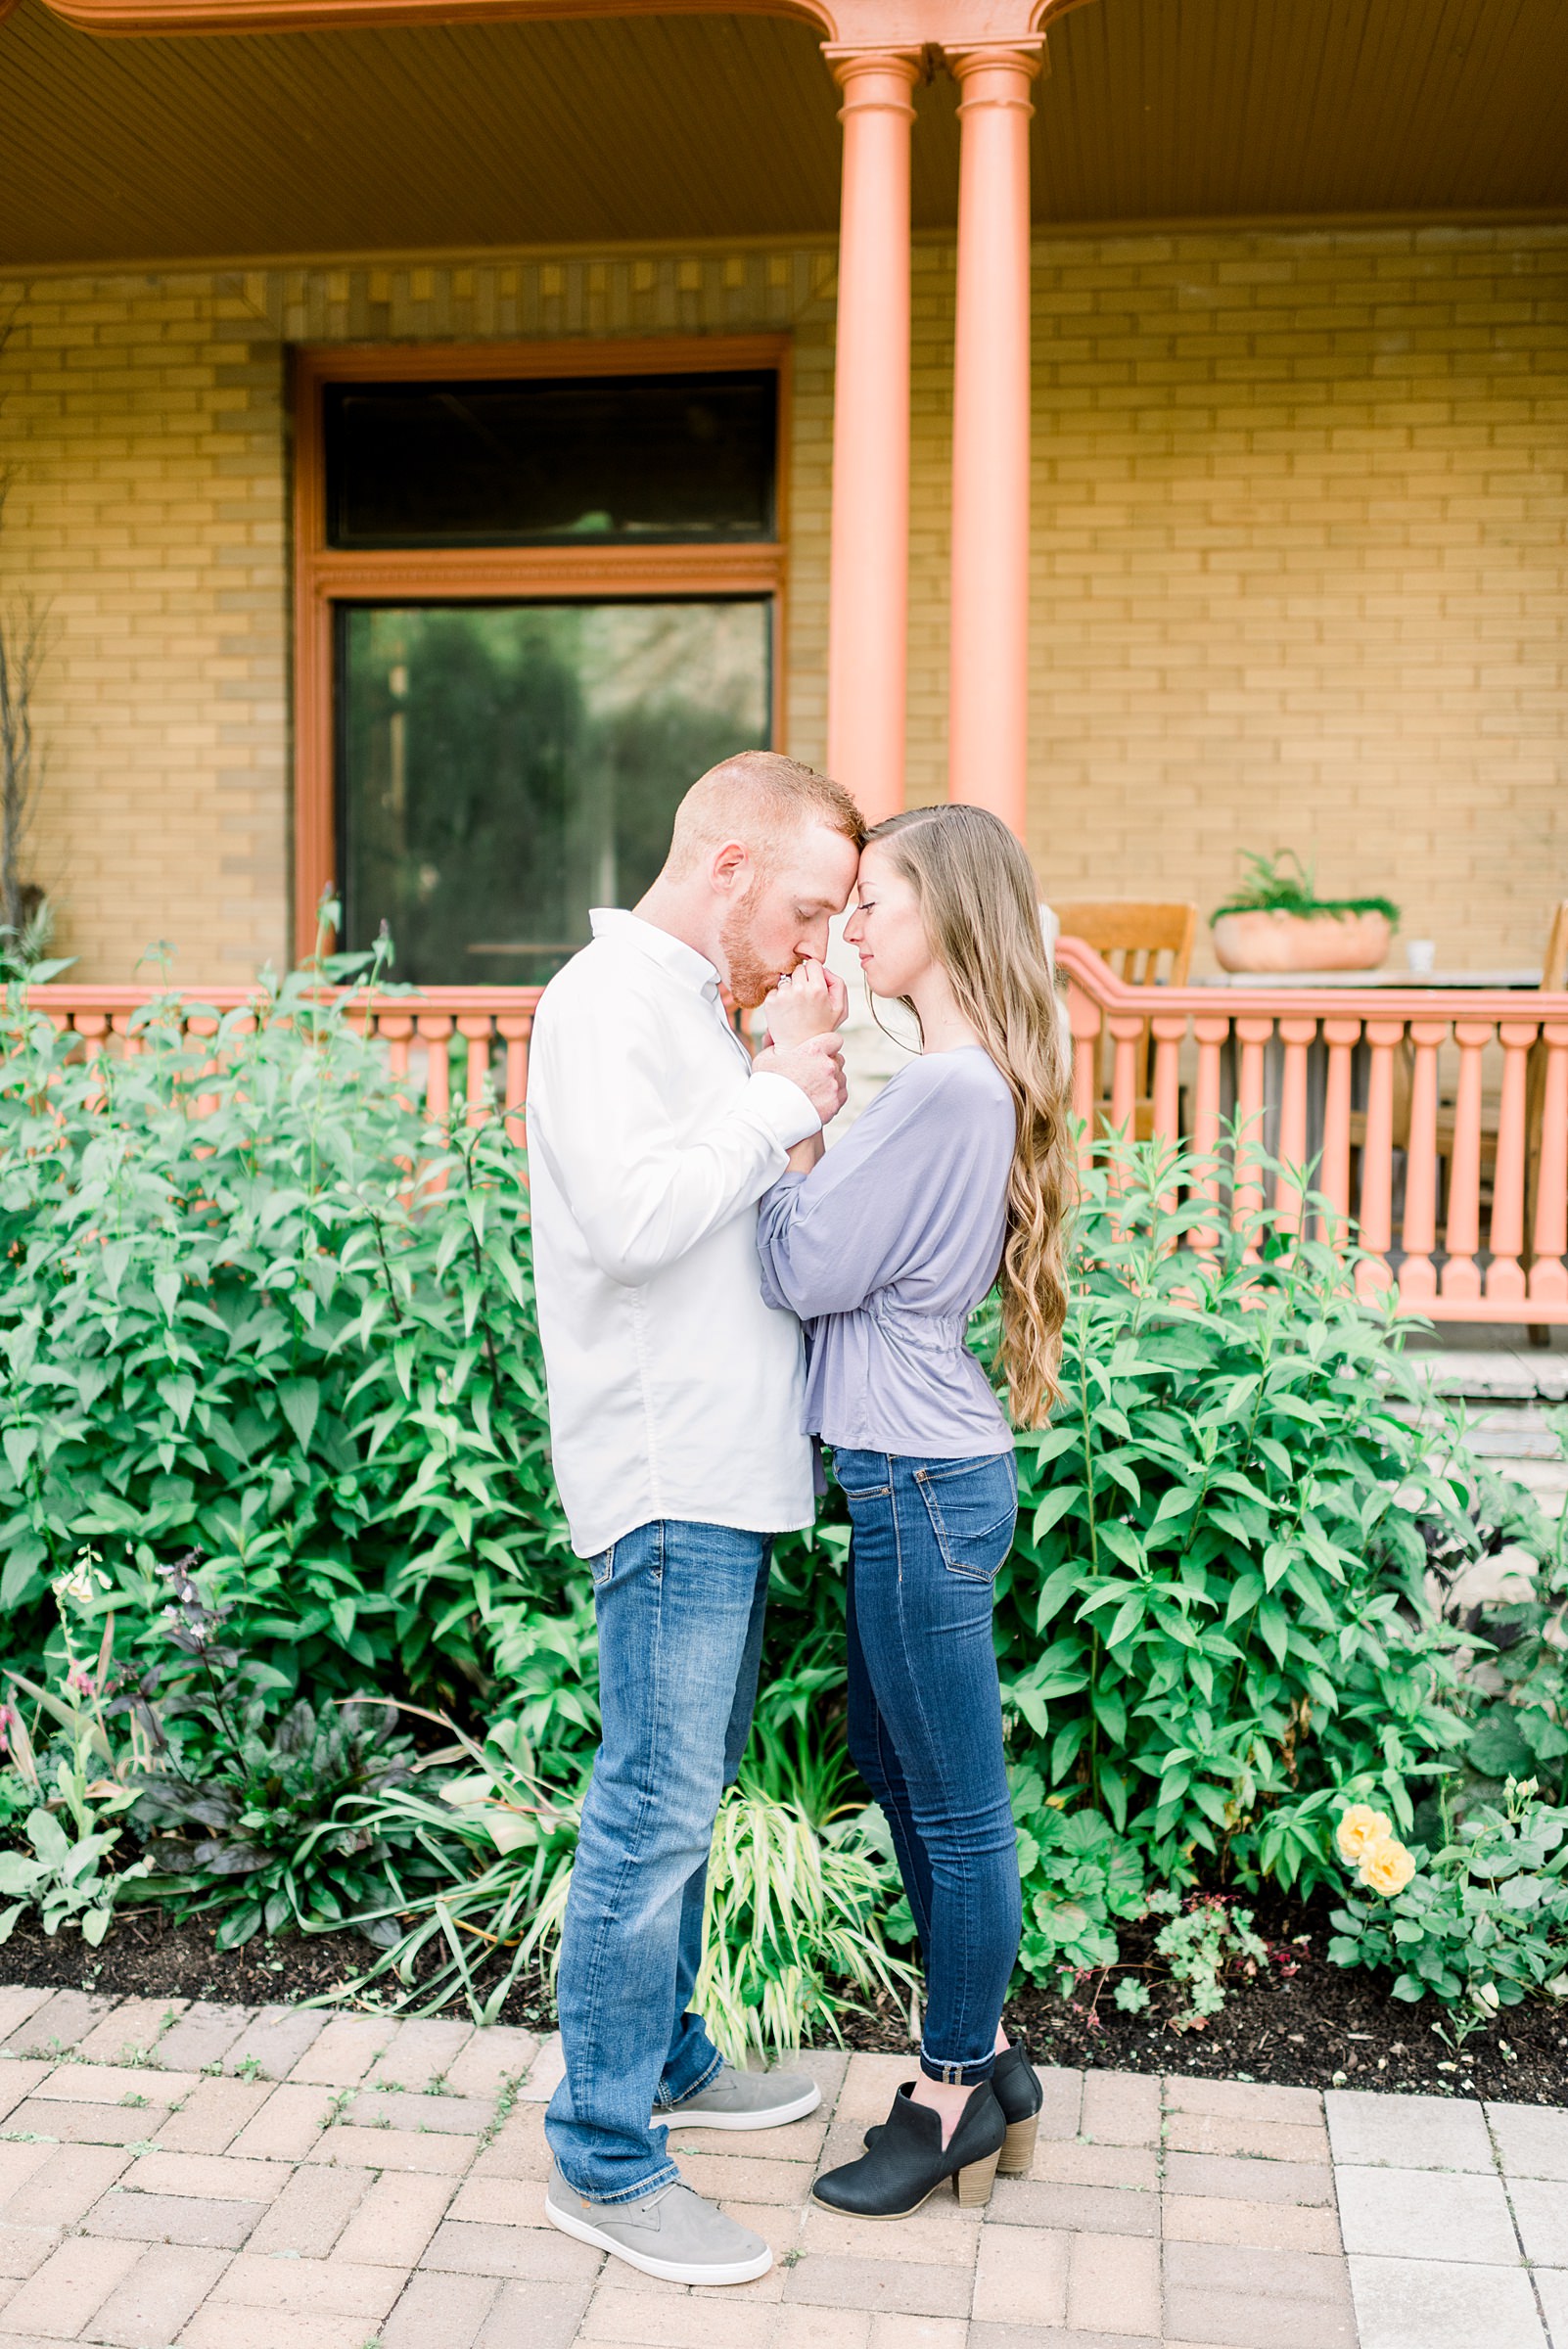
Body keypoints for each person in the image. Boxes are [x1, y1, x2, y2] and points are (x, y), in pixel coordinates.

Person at [526, 750, 864, 2286]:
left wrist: (788, 1101)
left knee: (686, 1797)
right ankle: (601, 2158)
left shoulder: (688, 1013)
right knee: (650, 1814)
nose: (809, 942)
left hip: (724, 1471)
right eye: (804, 907)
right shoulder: (604, 1002)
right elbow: (631, 1220)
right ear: (728, 862)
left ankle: (661, 2059)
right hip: (663, 1473)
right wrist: (777, 1100)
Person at [755, 803, 1074, 2220]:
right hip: (908, 1477)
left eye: (874, 899)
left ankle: (947, 2086)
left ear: (947, 909)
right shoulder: (957, 1080)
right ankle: (991, 2057)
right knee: (900, 1774)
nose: (850, 925)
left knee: (952, 1814)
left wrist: (785, 1107)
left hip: (919, 1483)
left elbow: (806, 1267)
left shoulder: (946, 1088)